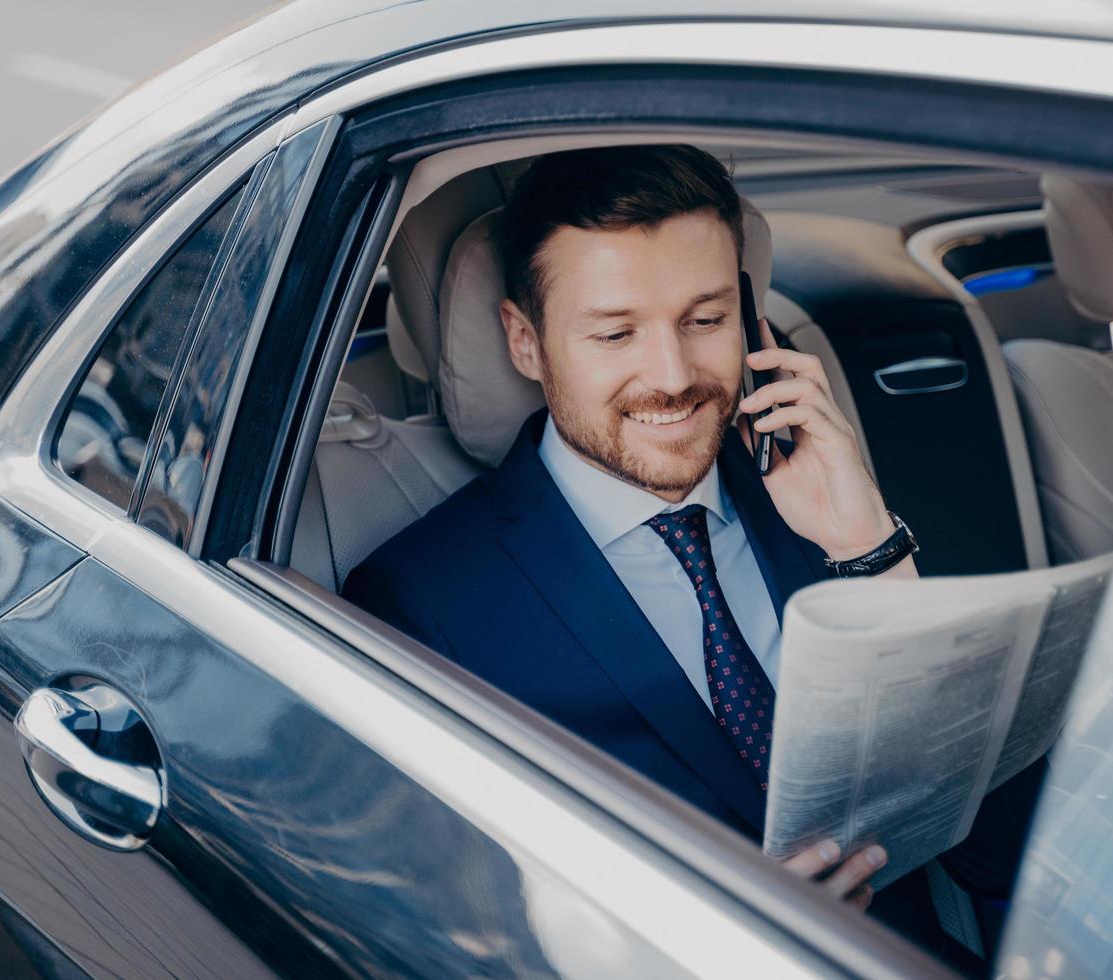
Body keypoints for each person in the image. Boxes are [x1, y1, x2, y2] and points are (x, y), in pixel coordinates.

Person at [344, 145, 926, 914]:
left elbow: (979, 822)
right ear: (525, 341)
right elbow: (451, 921)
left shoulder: (827, 494)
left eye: (706, 319)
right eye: (615, 335)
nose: (674, 375)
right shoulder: (423, 603)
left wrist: (868, 550)